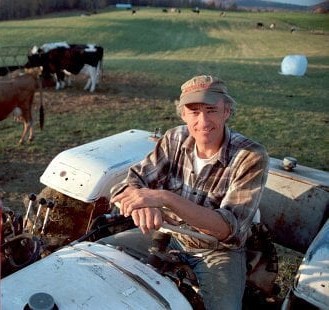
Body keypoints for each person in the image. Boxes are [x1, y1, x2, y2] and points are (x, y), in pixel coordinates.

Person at [102, 75, 269, 309]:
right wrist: (143, 202)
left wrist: (164, 198)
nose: (203, 121)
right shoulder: (174, 138)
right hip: (169, 234)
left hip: (217, 251)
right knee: (98, 258)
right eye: (194, 112)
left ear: (227, 111)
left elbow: (226, 229)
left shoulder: (251, 156)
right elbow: (129, 183)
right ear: (183, 114)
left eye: (211, 110)